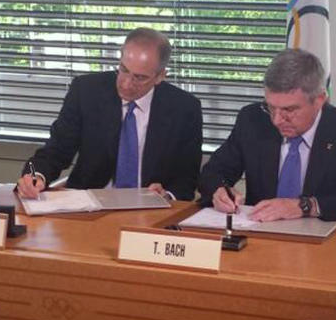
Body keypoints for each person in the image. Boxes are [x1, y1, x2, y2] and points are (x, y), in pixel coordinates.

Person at [198, 49, 336, 222]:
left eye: (289, 109)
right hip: (261, 236)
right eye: (271, 107)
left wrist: (306, 206)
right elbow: (212, 173)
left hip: (326, 246)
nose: (277, 120)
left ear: (320, 99)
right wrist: (219, 191)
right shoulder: (253, 120)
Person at [16, 28, 203, 201]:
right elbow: (55, 151)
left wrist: (167, 196)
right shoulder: (86, 91)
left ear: (161, 76)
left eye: (139, 77)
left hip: (149, 212)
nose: (126, 84)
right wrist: (35, 175)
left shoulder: (184, 109)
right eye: (123, 70)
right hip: (89, 208)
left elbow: (186, 178)